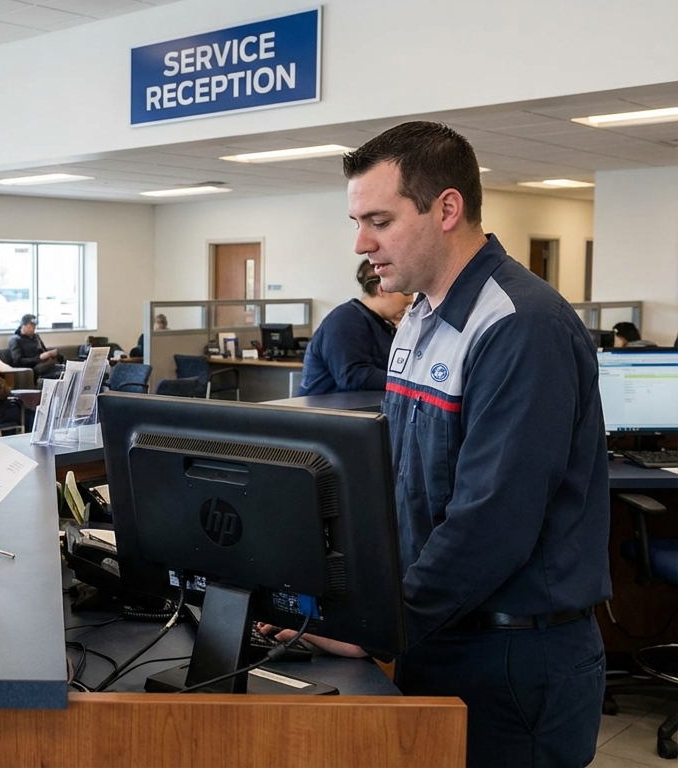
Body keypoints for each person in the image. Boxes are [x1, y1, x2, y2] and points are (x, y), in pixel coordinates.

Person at [278, 122, 611, 768]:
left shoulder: (520, 326)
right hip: (439, 633)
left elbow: (493, 524)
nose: (361, 242)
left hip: (514, 662)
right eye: (357, 220)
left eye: (379, 219)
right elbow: (403, 482)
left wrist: (379, 623)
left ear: (448, 208)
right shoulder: (422, 319)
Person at [296, 259, 414, 395]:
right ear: (382, 289)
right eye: (406, 293)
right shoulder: (344, 319)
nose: (410, 299)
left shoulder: (380, 325)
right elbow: (353, 376)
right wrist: (410, 383)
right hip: (328, 412)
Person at [7, 313, 61, 380]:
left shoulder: (35, 337)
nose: (34, 328)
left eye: (34, 326)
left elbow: (44, 350)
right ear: (23, 325)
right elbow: (18, 362)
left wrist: (50, 354)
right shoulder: (15, 340)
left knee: (63, 365)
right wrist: (39, 358)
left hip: (45, 365)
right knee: (59, 373)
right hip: (34, 368)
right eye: (31, 325)